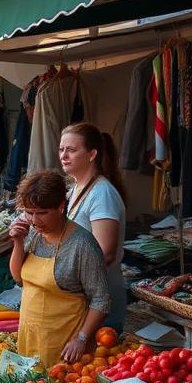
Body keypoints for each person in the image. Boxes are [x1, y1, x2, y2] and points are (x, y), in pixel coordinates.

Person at [10, 171, 111, 369]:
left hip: (65, 346)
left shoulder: (82, 244)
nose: (35, 220)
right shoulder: (33, 234)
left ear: (60, 207)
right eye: (29, 212)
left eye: (42, 213)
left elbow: (102, 299)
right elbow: (17, 277)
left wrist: (81, 339)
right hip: (30, 337)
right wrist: (17, 242)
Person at [59, 122, 128, 335]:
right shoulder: (74, 189)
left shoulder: (102, 193)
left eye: (71, 150)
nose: (64, 155)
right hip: (79, 297)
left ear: (91, 155)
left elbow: (105, 252)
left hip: (99, 300)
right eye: (61, 149)